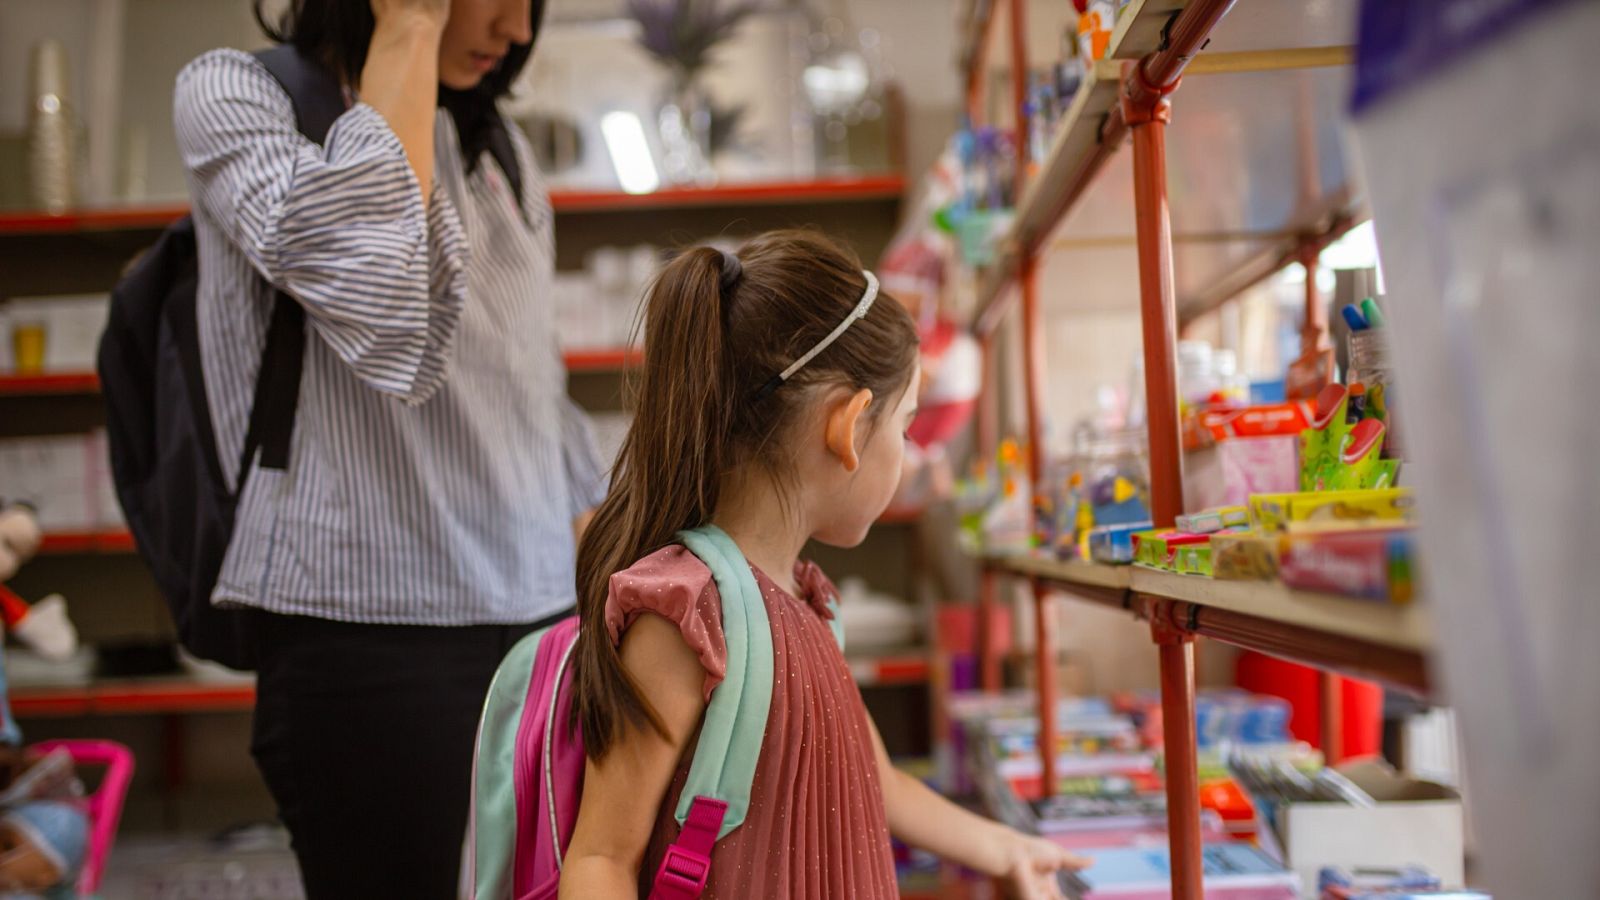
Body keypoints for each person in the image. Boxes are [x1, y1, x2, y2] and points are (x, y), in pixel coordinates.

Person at [173, 1, 603, 896]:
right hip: (370, 626)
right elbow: (385, 306)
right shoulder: (239, 97)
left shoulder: (501, 148)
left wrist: (606, 585)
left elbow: (536, 389)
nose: (518, 29)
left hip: (537, 621)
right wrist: (407, 27)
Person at [558, 230, 1089, 899]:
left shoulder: (809, 601)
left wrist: (1007, 848)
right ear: (847, 426)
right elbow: (600, 859)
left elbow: (879, 779)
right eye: (906, 427)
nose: (912, 454)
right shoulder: (687, 615)